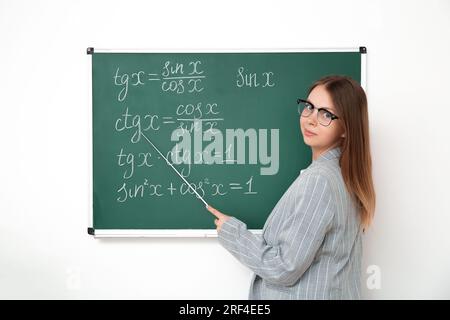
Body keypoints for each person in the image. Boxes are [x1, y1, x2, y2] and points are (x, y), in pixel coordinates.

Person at [207, 75, 376, 299]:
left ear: (346, 128)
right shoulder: (345, 176)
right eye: (309, 107)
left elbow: (284, 267)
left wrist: (232, 232)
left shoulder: (320, 181)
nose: (311, 119)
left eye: (326, 114)